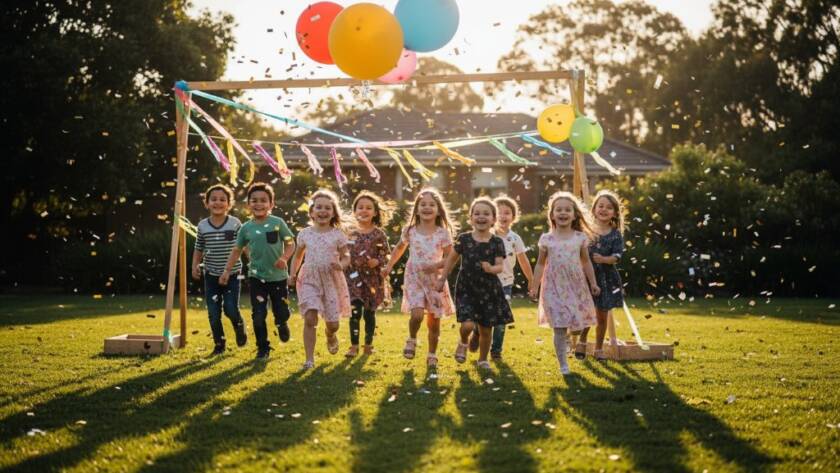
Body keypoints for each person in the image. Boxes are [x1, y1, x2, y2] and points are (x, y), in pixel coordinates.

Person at [382, 188, 457, 368]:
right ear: (416, 209)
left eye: (432, 204)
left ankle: (432, 354)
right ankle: (412, 338)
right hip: (414, 277)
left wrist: (436, 266)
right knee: (416, 315)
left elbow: (450, 258)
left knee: (434, 322)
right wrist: (389, 266)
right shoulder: (410, 231)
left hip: (435, 280)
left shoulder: (442, 233)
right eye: (423, 204)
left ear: (438, 210)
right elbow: (399, 248)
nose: (427, 207)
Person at [220, 182, 295, 360]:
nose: (259, 204)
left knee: (281, 310)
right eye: (254, 200)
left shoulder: (278, 223)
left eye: (263, 200)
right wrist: (226, 271)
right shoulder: (246, 228)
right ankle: (263, 348)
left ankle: (282, 322)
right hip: (256, 278)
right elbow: (237, 250)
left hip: (278, 278)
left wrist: (284, 258)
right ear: (248, 204)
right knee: (258, 315)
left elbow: (291, 244)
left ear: (271, 204)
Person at [529, 191, 600, 375]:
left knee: (578, 326)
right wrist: (534, 286)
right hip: (553, 287)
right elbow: (540, 264)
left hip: (576, 286)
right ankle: (563, 365)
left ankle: (573, 336)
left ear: (575, 214)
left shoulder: (579, 238)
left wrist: (593, 282)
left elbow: (586, 262)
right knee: (559, 328)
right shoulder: (547, 239)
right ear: (552, 215)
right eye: (558, 210)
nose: (562, 213)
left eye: (567, 210)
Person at [438, 197, 512, 369]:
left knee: (486, 329)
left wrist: (491, 269)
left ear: (494, 219)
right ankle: (463, 341)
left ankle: (483, 359)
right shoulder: (464, 239)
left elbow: (500, 266)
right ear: (470, 218)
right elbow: (451, 260)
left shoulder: (496, 242)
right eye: (477, 213)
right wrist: (442, 278)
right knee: (468, 324)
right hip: (467, 289)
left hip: (489, 289)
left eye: (486, 214)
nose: (481, 217)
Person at [288, 189, 352, 370]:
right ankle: (309, 360)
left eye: (327, 208)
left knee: (333, 324)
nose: (323, 211)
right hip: (309, 278)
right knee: (310, 318)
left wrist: (342, 264)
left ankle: (330, 334)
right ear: (311, 212)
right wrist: (292, 274)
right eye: (319, 207)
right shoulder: (305, 234)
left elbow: (346, 256)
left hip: (331, 280)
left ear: (333, 213)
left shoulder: (338, 234)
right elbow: (297, 256)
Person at [191, 184, 247, 355]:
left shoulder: (235, 223)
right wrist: (194, 265)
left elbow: (243, 246)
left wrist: (255, 261)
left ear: (229, 204)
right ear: (206, 203)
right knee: (214, 312)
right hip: (211, 275)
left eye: (222, 199)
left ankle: (239, 326)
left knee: (230, 308)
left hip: (233, 274)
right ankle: (219, 344)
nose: (218, 202)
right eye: (213, 199)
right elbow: (199, 247)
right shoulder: (202, 225)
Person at [577, 190, 626, 361]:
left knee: (601, 315)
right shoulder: (585, 230)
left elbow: (618, 255)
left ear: (614, 212)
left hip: (606, 279)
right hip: (586, 277)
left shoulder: (615, 234)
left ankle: (598, 349)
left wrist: (605, 259)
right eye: (601, 206)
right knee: (586, 313)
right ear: (594, 208)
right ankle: (582, 341)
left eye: (609, 207)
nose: (604, 210)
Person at [344, 191, 394, 357]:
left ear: (375, 212)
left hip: (372, 279)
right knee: (355, 310)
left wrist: (378, 261)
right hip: (352, 277)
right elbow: (341, 251)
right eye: (360, 207)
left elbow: (386, 254)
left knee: (369, 313)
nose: (364, 210)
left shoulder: (378, 234)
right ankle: (353, 345)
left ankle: (368, 344)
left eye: (368, 208)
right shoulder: (348, 232)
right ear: (354, 211)